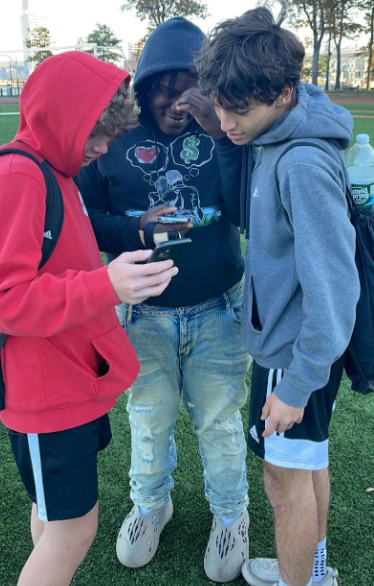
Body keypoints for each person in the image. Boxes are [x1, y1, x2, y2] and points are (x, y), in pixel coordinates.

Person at [77, 17, 251, 583]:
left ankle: (231, 514)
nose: (177, 102)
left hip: (218, 303)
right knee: (148, 420)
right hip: (141, 311)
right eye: (164, 88)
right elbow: (87, 223)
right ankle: (153, 504)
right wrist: (136, 229)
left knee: (220, 422)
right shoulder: (116, 134)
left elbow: (245, 211)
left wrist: (221, 138)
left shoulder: (224, 128)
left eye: (190, 89)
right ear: (143, 84)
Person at [0, 51, 179, 586]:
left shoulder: (57, 172)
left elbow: (74, 246)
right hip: (45, 392)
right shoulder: (20, 174)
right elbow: (9, 298)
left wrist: (133, 243)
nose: (105, 147)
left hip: (71, 379)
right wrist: (107, 285)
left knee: (57, 522)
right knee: (74, 531)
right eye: (97, 134)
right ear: (63, 119)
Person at [196, 7, 360, 586]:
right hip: (292, 350)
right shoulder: (273, 137)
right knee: (306, 467)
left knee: (283, 487)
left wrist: (297, 382)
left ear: (285, 93)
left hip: (295, 356)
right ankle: (312, 574)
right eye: (219, 106)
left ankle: (304, 578)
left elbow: (336, 291)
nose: (226, 121)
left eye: (238, 110)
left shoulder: (303, 162)